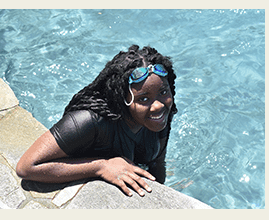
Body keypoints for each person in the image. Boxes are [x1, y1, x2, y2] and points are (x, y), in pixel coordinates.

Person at [16, 45, 178, 197]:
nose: (158, 105)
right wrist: (100, 167)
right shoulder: (89, 121)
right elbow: (27, 167)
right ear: (123, 99)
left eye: (163, 91)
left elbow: (157, 161)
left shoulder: (161, 114)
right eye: (143, 99)